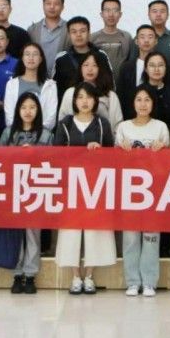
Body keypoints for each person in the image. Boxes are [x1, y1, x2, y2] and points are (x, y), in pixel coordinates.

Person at [54, 83, 117, 295]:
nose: (84, 101)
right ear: (74, 101)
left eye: (89, 97)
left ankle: (89, 275)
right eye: (80, 97)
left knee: (94, 231)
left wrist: (99, 151)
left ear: (95, 101)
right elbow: (57, 155)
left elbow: (111, 155)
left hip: (96, 185)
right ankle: (75, 276)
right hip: (71, 186)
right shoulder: (65, 124)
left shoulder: (102, 124)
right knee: (71, 231)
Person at [116, 85, 170, 297]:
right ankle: (132, 281)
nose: (143, 104)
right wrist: (121, 151)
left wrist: (162, 150)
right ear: (133, 103)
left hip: (153, 190)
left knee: (150, 237)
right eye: (139, 99)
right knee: (130, 238)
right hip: (129, 190)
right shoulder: (123, 127)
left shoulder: (161, 127)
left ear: (153, 103)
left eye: (147, 99)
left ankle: (149, 282)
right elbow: (113, 161)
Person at [0, 92, 54, 295]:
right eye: (24, 107)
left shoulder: (46, 135)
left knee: (33, 233)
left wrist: (35, 154)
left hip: (36, 189)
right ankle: (16, 274)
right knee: (15, 233)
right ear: (17, 110)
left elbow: (53, 162)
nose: (28, 111)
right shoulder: (8, 133)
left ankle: (30, 275)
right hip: (13, 189)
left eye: (32, 107)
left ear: (38, 110)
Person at [58, 50, 123, 128]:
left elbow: (117, 126)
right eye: (86, 65)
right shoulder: (70, 93)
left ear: (100, 69)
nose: (90, 69)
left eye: (94, 65)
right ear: (80, 68)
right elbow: (62, 122)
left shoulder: (110, 95)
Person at [3, 43, 59, 132]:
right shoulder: (11, 84)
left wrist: (37, 133)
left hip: (42, 135)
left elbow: (51, 117)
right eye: (27, 54)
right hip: (17, 134)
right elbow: (9, 116)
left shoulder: (50, 85)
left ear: (40, 59)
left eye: (35, 54)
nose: (31, 58)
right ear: (22, 58)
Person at [52, 16, 112, 98]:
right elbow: (55, 90)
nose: (78, 35)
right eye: (74, 32)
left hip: (98, 101)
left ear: (89, 33)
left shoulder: (101, 56)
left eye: (82, 31)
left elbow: (110, 84)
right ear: (69, 34)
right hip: (69, 103)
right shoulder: (61, 59)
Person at [115, 24, 158, 108]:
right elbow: (120, 94)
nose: (146, 40)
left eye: (150, 37)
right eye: (142, 37)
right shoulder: (126, 67)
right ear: (136, 41)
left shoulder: (161, 66)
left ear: (156, 41)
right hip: (130, 111)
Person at [137, 52, 170, 127]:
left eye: (160, 65)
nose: (156, 69)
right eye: (152, 65)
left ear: (166, 68)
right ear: (146, 69)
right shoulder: (138, 92)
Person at [26, 0, 69, 69]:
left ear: (62, 7)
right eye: (48, 3)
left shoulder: (69, 29)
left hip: (62, 74)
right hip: (37, 74)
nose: (52, 7)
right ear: (43, 6)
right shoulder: (33, 29)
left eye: (56, 4)